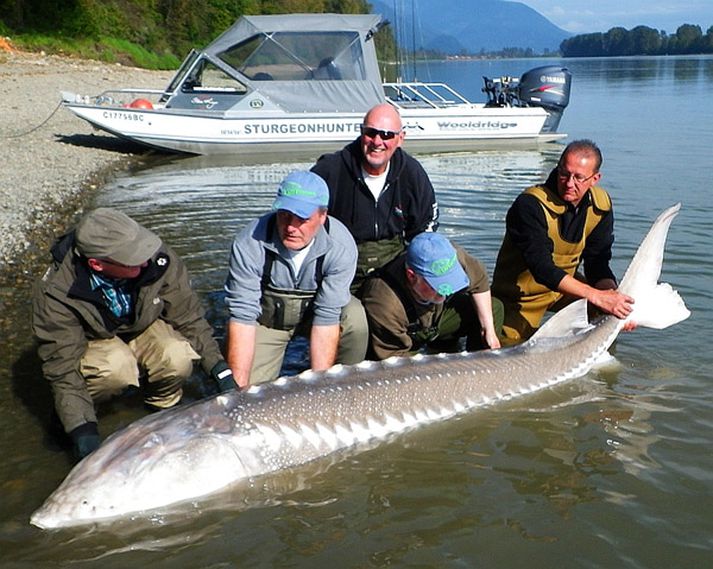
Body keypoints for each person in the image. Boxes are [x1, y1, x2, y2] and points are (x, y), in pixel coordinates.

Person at [32, 208, 234, 459]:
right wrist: (83, 434)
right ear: (97, 264)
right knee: (115, 368)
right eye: (132, 259)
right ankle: (78, 418)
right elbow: (62, 370)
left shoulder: (157, 258)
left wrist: (221, 372)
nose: (146, 259)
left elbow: (189, 318)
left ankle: (163, 410)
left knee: (176, 355)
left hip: (142, 324)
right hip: (93, 338)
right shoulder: (54, 292)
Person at [224, 170, 368, 388]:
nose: (290, 227)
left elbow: (327, 317)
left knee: (355, 317)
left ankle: (346, 388)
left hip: (316, 317)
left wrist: (320, 388)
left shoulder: (341, 245)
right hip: (268, 321)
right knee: (249, 390)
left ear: (322, 216)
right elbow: (243, 317)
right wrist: (237, 394)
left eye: (302, 218)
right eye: (284, 215)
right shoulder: (249, 242)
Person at [492, 139, 635, 343]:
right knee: (507, 355)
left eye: (579, 178)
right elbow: (542, 269)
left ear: (595, 178)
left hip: (564, 291)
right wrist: (597, 296)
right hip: (520, 298)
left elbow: (597, 263)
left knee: (607, 320)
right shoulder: (530, 205)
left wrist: (613, 300)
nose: (569, 183)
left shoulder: (600, 205)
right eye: (564, 174)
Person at [311, 103, 439, 293]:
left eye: (386, 135)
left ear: (400, 138)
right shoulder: (330, 170)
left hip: (393, 266)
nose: (377, 142)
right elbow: (302, 221)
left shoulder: (412, 173)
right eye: (371, 133)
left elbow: (427, 225)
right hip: (340, 267)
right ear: (361, 132)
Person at [361, 232, 503, 360]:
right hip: (403, 337)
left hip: (436, 319)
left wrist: (488, 330)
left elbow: (479, 282)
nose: (446, 291)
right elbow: (395, 361)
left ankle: (476, 364)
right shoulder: (384, 301)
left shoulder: (450, 255)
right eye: (437, 284)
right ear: (411, 276)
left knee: (494, 307)